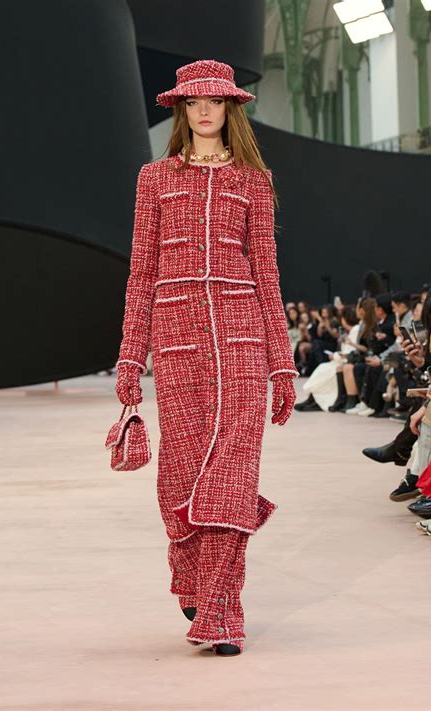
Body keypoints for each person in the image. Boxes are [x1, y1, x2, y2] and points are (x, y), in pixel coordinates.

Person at [114, 60, 298, 656]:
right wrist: (129, 358)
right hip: (177, 343)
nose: (203, 110)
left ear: (230, 107)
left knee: (232, 479)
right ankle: (191, 573)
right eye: (193, 101)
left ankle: (221, 607)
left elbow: (267, 273)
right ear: (180, 109)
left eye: (214, 101)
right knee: (180, 477)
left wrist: (282, 365)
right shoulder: (154, 179)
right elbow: (141, 274)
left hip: (243, 341)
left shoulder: (254, 181)